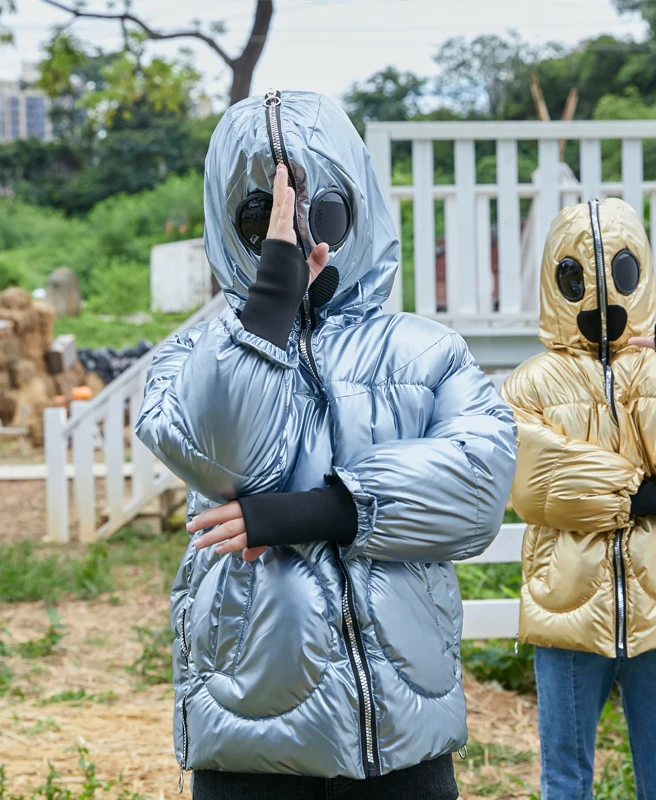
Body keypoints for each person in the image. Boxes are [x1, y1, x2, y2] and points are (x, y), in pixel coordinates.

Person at [135, 89, 517, 800]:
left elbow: (478, 486)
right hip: (250, 739)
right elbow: (224, 459)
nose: (303, 236)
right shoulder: (190, 360)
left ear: (359, 208)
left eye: (325, 213)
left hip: (402, 733)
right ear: (230, 224)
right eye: (263, 219)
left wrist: (307, 514)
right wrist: (269, 302)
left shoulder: (425, 349)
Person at [501, 198, 656, 800]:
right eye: (575, 277)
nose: (600, 294)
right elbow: (537, 484)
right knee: (565, 780)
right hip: (567, 606)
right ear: (555, 281)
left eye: (620, 274)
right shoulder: (530, 382)